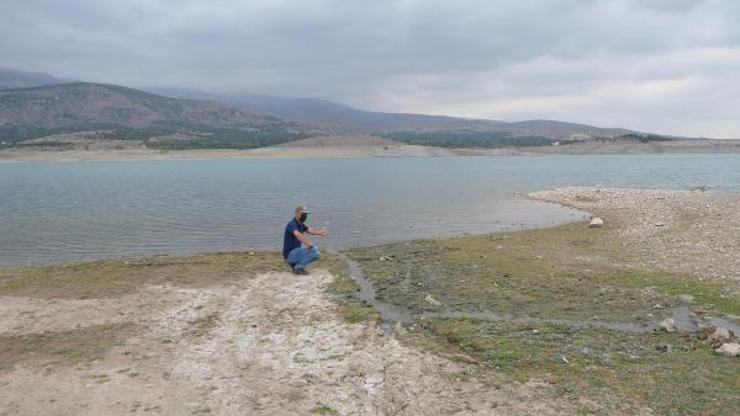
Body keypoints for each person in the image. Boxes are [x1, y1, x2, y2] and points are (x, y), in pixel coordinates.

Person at [283, 205, 328, 274]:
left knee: (312, 251)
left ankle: (295, 265)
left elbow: (310, 231)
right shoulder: (292, 224)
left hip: (295, 252)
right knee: (315, 252)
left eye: (306, 214)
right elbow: (298, 235)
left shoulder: (301, 224)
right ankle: (298, 268)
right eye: (303, 214)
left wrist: (320, 232)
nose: (305, 216)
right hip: (289, 254)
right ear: (297, 214)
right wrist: (310, 245)